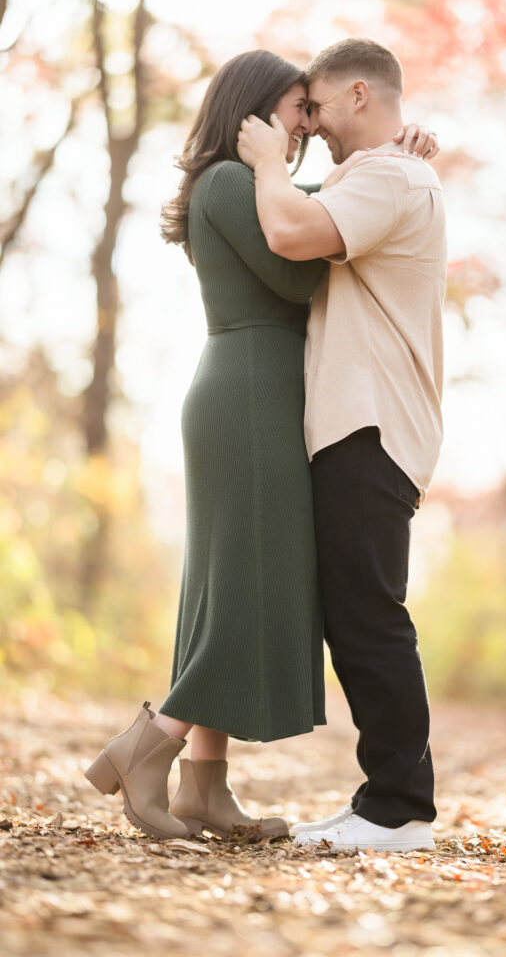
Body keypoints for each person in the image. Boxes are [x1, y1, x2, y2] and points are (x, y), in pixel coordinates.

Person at [83, 48, 438, 841]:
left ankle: (205, 786)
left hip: (269, 391)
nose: (304, 126)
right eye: (293, 110)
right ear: (249, 116)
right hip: (250, 390)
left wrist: (380, 168)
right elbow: (299, 262)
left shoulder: (258, 184)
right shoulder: (230, 183)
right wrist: (354, 188)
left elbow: (324, 215)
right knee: (247, 579)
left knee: (235, 578)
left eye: (311, 111)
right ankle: (147, 747)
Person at [237, 37, 447, 853]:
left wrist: (263, 162)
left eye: (316, 107)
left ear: (358, 94)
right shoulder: (385, 170)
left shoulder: (391, 174)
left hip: (372, 424)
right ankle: (384, 798)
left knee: (369, 615)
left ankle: (399, 809)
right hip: (358, 423)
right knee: (357, 613)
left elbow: (292, 234)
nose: (310, 125)